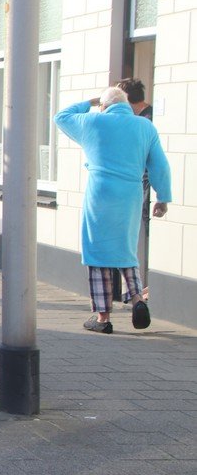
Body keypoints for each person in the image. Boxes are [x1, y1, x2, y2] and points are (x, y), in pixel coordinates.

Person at [54, 86, 171, 333]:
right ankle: (138, 299)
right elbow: (160, 165)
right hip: (130, 194)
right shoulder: (145, 127)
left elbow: (61, 117)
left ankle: (102, 318)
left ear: (104, 106)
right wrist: (163, 198)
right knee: (126, 250)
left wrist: (90, 101)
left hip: (100, 194)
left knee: (97, 253)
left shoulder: (94, 121)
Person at [116, 77, 154, 300]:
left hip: (147, 184)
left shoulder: (147, 121)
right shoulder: (139, 119)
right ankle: (141, 288)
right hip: (140, 184)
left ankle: (146, 288)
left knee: (148, 233)